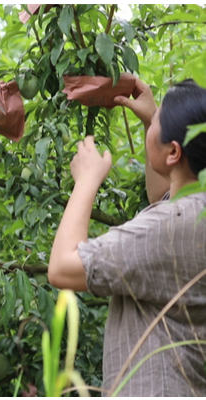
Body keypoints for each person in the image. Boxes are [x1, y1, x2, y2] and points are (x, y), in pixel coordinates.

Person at [48, 78, 206, 397]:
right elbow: (162, 194)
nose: (152, 126)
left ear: (174, 151)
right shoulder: (195, 210)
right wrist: (152, 119)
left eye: (158, 122)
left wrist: (86, 181)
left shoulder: (171, 226)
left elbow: (62, 267)